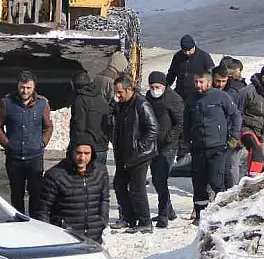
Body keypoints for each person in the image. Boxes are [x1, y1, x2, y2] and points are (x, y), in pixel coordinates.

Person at [0, 70, 53, 216]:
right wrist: (7, 144)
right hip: (14, 158)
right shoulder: (7, 103)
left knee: (36, 193)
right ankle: (19, 222)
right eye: (22, 87)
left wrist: (42, 142)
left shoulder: (42, 103)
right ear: (18, 85)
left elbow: (48, 126)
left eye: (28, 88)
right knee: (16, 193)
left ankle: (34, 222)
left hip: (34, 157)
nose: (25, 91)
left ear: (34, 87)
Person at [184, 70, 241, 224]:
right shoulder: (191, 99)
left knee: (216, 181)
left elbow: (236, 115)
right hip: (198, 148)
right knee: (198, 183)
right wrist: (186, 143)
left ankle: (223, 212)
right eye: (196, 82)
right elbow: (186, 123)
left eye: (201, 82)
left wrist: (234, 137)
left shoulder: (220, 96)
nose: (198, 85)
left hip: (217, 148)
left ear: (209, 82)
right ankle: (200, 215)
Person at [34, 143, 110, 243]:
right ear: (71, 153)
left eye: (86, 153)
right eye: (78, 153)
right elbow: (42, 211)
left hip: (94, 239)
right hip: (65, 240)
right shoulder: (55, 175)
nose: (82, 158)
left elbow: (104, 199)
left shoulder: (100, 172)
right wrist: (51, 234)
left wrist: (102, 221)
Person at [111, 74, 158, 233]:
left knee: (137, 189)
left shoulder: (141, 104)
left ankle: (145, 221)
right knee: (119, 185)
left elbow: (153, 130)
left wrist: (139, 148)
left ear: (129, 89)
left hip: (139, 155)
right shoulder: (123, 104)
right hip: (124, 154)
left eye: (120, 92)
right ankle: (129, 218)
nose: (117, 95)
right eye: (116, 92)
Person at [146, 71, 183, 228]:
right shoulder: (148, 97)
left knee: (160, 179)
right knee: (156, 179)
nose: (155, 90)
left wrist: (170, 137)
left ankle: (163, 214)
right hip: (153, 145)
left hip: (168, 146)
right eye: (153, 87)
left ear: (164, 85)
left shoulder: (173, 99)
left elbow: (181, 122)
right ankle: (170, 210)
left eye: (158, 87)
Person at [236, 63, 264, 178]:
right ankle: (252, 180)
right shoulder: (247, 92)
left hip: (262, 131)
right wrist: (236, 132)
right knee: (257, 149)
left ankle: (253, 177)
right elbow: (236, 112)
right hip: (246, 128)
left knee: (259, 156)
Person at [69, 70, 112, 165]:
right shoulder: (100, 97)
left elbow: (78, 126)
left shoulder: (80, 100)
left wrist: (74, 146)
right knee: (98, 176)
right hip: (102, 146)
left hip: (86, 149)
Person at [166, 34, 215, 100]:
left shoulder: (204, 56)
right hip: (180, 92)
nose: (187, 53)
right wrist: (165, 87)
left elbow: (212, 74)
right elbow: (171, 74)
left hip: (197, 93)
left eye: (189, 50)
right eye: (185, 51)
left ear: (194, 46)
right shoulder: (177, 56)